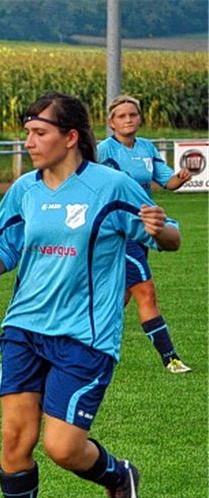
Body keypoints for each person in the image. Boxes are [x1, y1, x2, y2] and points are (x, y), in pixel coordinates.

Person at [0, 93, 180, 498]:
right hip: (24, 328)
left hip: (85, 336)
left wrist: (160, 228)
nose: (29, 142)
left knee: (62, 448)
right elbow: (9, 242)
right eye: (27, 133)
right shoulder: (25, 189)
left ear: (71, 137)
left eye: (39, 133)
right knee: (15, 439)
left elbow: (171, 235)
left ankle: (119, 476)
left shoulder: (110, 186)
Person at [97, 94, 193, 373]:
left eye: (133, 115)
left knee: (120, 298)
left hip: (146, 226)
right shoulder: (104, 151)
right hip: (120, 230)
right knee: (146, 292)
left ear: (139, 118)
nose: (128, 119)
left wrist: (182, 176)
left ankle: (86, 345)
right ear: (111, 122)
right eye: (122, 116)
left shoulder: (148, 147)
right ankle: (171, 359)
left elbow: (168, 182)